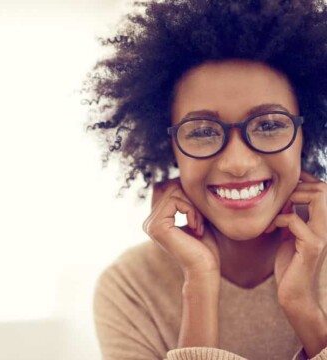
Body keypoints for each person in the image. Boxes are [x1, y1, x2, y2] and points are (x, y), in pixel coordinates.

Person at [87, 0, 327, 359]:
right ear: (170, 146)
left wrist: (303, 307)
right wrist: (199, 284)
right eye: (201, 131)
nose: (237, 163)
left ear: (305, 134)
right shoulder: (130, 287)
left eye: (270, 125)